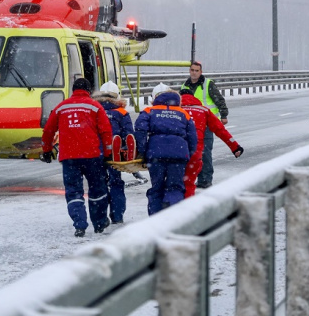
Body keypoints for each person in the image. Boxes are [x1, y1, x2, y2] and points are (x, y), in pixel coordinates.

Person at [41, 77, 114, 237]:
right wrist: (108, 154)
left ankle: (79, 225)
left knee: (74, 191)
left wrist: (46, 150)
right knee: (97, 189)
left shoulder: (61, 107)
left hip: (69, 157)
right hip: (92, 156)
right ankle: (99, 223)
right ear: (89, 91)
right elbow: (106, 131)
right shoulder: (95, 106)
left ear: (73, 90)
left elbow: (48, 131)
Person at [134, 83, 197, 215]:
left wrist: (143, 151)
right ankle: (173, 217)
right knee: (175, 188)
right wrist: (187, 154)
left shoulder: (149, 111)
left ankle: (156, 219)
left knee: (157, 188)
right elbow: (192, 137)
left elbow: (140, 130)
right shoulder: (183, 113)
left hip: (156, 154)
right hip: (179, 154)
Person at [179, 88, 244, 198]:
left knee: (174, 183)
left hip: (177, 151)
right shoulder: (203, 110)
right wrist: (235, 146)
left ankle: (169, 209)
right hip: (195, 152)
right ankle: (186, 208)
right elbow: (220, 130)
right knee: (189, 183)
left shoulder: (175, 110)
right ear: (194, 98)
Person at [92, 81, 135, 225]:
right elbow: (129, 133)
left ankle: (101, 216)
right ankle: (117, 215)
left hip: (96, 152)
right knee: (116, 182)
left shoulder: (94, 110)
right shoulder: (122, 112)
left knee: (99, 184)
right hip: (114, 154)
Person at [183, 61, 229, 188]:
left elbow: (219, 99)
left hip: (207, 123)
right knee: (191, 152)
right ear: (189, 71)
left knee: (204, 152)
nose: (194, 72)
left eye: (196, 70)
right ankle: (192, 178)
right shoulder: (185, 86)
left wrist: (224, 115)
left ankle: (205, 179)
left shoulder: (208, 84)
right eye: (192, 70)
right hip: (190, 124)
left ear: (201, 72)